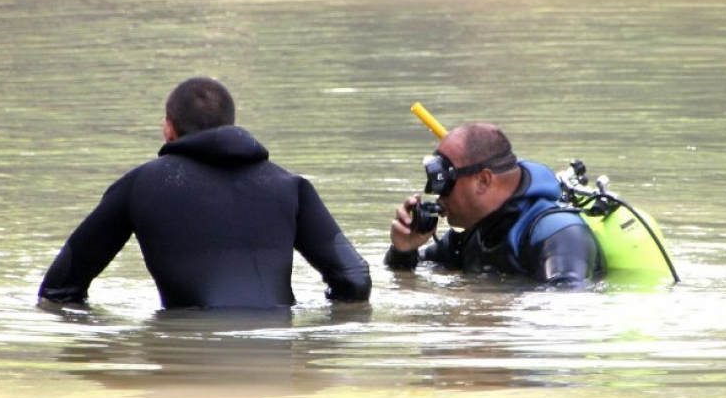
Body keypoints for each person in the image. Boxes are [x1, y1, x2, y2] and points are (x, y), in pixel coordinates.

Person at [39, 77, 371, 309]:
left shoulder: (141, 185)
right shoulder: (290, 186)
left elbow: (58, 289)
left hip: (183, 362)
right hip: (271, 369)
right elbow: (355, 280)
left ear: (168, 128)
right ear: (232, 124)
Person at [384, 122, 602, 283]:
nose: (438, 197)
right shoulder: (474, 233)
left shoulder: (559, 233)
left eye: (445, 183)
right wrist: (404, 250)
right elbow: (405, 275)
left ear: (483, 180)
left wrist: (481, 305)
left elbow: (567, 311)